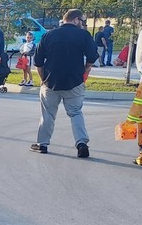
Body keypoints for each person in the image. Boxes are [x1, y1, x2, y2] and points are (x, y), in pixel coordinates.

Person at [30, 9, 98, 157]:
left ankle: (42, 144)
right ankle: (81, 143)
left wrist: (43, 80)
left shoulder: (48, 35)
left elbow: (38, 62)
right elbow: (92, 57)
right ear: (75, 19)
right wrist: (85, 70)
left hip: (51, 82)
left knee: (48, 114)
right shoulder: (83, 35)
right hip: (74, 81)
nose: (83, 24)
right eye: (82, 21)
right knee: (75, 113)